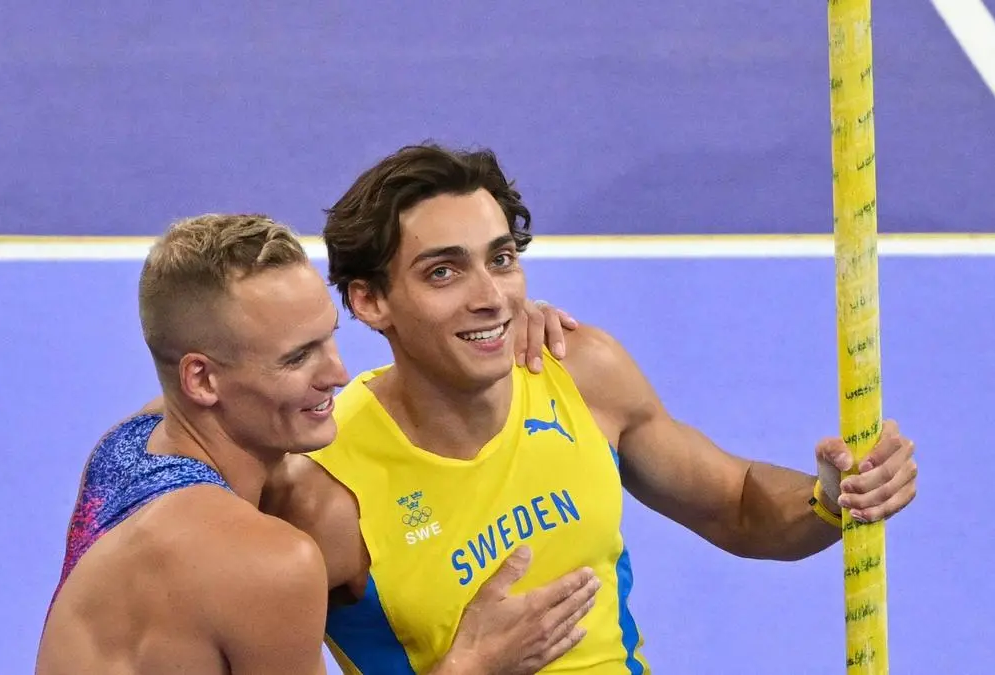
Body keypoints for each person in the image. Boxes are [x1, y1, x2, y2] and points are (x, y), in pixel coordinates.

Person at [260, 144, 919, 674]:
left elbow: (737, 505)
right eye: (444, 272)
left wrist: (831, 498)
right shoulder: (321, 495)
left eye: (501, 260)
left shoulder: (579, 373)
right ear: (370, 301)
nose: (492, 297)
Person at [35, 213, 601, 675]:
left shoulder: (124, 450)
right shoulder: (270, 564)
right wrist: (475, 665)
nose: (337, 373)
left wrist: (494, 328)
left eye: (328, 337)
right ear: (202, 380)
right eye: (298, 357)